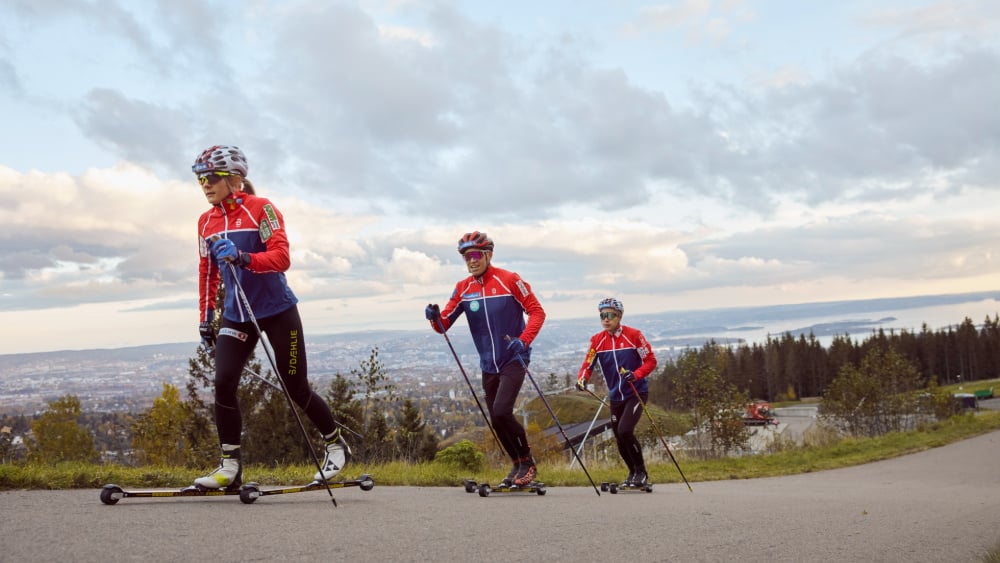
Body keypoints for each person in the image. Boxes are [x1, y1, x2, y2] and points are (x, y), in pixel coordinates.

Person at [193, 144, 349, 490]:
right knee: (223, 383)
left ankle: (336, 444)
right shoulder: (205, 222)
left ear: (235, 178)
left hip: (278, 311)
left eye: (212, 178)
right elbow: (207, 273)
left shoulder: (261, 209)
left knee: (296, 386)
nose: (205, 185)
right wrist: (206, 317)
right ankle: (230, 467)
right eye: (200, 179)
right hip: (237, 315)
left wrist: (243, 257)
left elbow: (281, 257)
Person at [425, 231, 546, 487]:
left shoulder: (510, 280)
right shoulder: (463, 288)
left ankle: (528, 463)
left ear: (488, 255)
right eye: (466, 257)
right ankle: (517, 465)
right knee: (496, 419)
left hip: (514, 357)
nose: (471, 261)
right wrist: (434, 318)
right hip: (488, 363)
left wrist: (524, 340)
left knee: (502, 411)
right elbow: (443, 325)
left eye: (476, 255)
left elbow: (537, 312)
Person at [576, 297, 657, 487]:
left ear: (619, 316)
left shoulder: (634, 335)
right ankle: (632, 473)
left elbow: (651, 361)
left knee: (625, 430)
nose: (606, 319)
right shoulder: (597, 340)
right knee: (619, 436)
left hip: (635, 392)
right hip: (615, 396)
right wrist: (582, 378)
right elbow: (588, 363)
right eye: (602, 315)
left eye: (610, 315)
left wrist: (636, 375)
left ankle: (642, 473)